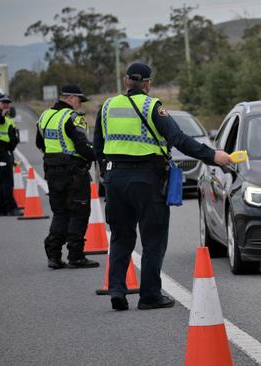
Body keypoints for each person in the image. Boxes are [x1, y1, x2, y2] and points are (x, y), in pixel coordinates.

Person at [94, 62, 232, 311]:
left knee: (121, 237)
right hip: (147, 180)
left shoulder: (107, 106)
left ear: (126, 81)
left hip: (115, 180)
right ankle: (149, 295)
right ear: (147, 84)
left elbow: (97, 146)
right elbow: (178, 139)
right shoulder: (152, 106)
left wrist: (106, 174)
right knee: (153, 239)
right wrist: (213, 156)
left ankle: (117, 289)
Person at [36, 85, 99, 270]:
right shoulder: (72, 118)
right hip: (73, 171)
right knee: (79, 212)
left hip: (52, 170)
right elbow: (82, 146)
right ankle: (76, 256)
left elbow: (40, 143)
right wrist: (98, 154)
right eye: (79, 100)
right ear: (71, 98)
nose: (79, 105)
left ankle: (54, 255)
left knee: (61, 212)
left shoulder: (44, 116)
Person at [0, 95, 21, 216]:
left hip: (7, 151)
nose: (6, 105)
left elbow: (12, 133)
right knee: (7, 181)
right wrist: (2, 114)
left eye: (8, 103)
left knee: (4, 181)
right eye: (4, 103)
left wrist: (13, 144)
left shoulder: (7, 117)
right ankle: (11, 208)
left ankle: (1, 209)